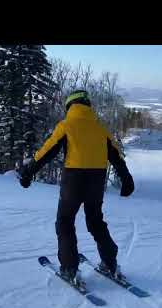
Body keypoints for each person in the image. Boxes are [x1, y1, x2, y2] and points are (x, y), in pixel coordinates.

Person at [17, 90, 135, 286]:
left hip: (73, 179)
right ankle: (109, 262)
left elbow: (47, 151)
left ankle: (69, 268)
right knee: (96, 221)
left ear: (70, 106)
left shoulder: (66, 126)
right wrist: (126, 179)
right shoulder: (100, 128)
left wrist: (28, 172)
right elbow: (116, 156)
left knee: (64, 221)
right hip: (96, 181)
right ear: (87, 105)